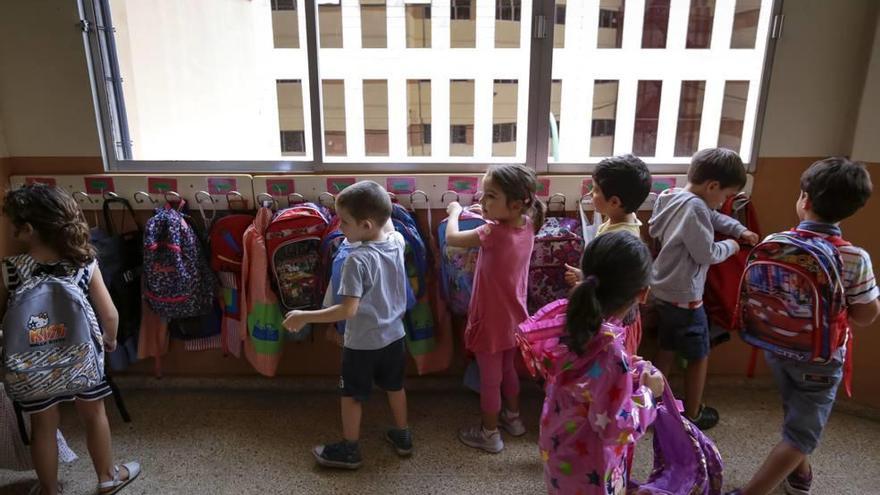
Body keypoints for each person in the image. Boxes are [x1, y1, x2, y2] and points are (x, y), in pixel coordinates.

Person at [728, 158, 879, 495]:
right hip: (821, 360)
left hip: (775, 347)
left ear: (804, 200)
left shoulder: (776, 241)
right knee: (801, 435)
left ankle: (799, 477)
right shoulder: (855, 258)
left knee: (795, 413)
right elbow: (867, 314)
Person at [1, 184, 140, 495]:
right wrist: (109, 340)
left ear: (28, 229)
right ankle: (107, 477)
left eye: (13, 224)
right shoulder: (83, 264)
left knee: (43, 426)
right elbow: (111, 315)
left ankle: (49, 489)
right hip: (82, 359)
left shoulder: (10, 269)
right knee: (94, 415)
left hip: (31, 366)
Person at [283, 180, 411, 470]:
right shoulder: (395, 242)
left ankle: (349, 450)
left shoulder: (356, 260)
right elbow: (386, 221)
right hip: (394, 337)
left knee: (351, 395)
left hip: (362, 345)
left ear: (366, 225)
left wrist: (305, 316)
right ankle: (403, 436)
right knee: (395, 386)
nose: (339, 227)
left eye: (344, 221)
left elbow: (346, 310)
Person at [541, 231, 663, 494]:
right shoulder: (611, 353)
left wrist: (625, 369)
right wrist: (649, 394)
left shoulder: (570, 321)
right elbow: (616, 428)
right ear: (643, 294)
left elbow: (584, 383)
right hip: (590, 471)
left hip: (558, 451)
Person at [648, 148, 759, 430]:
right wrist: (734, 245)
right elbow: (706, 253)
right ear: (712, 186)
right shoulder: (695, 207)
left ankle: (652, 403)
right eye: (724, 196)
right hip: (686, 297)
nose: (723, 203)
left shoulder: (670, 196)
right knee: (699, 355)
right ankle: (694, 412)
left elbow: (712, 216)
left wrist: (737, 228)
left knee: (667, 344)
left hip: (661, 288)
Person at [445, 164, 545, 453]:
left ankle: (490, 434)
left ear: (514, 204)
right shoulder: (526, 224)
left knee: (490, 380)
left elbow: (453, 239)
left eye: (490, 196)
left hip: (489, 321)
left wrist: (454, 212)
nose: (481, 201)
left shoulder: (491, 232)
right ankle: (513, 419)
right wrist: (485, 212)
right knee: (508, 370)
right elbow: (499, 222)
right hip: (515, 319)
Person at [565, 153, 652, 355]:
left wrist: (584, 281)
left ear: (614, 202)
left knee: (613, 365)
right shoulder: (621, 217)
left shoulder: (621, 237)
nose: (590, 194)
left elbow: (614, 284)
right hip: (612, 308)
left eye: (595, 190)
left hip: (617, 317)